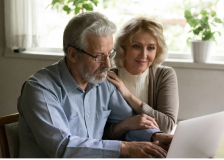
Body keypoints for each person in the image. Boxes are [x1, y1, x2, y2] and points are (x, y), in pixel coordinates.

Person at [17, 12, 172, 159]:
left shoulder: (103, 81)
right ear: (72, 54)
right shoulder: (40, 89)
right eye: (98, 56)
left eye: (110, 54)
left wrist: (155, 136)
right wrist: (124, 147)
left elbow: (133, 121)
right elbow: (62, 147)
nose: (107, 64)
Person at [106, 16, 179, 136]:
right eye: (136, 46)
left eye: (151, 48)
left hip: (155, 150)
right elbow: (102, 133)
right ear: (123, 48)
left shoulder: (164, 75)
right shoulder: (108, 77)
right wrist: (127, 124)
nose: (144, 55)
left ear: (157, 50)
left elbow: (167, 127)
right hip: (119, 151)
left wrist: (129, 96)